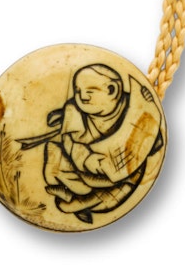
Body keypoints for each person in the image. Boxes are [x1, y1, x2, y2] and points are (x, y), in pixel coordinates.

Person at [18, 63, 163, 224]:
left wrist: (148, 108)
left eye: (90, 91)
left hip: (114, 180)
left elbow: (152, 144)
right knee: (54, 155)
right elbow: (69, 142)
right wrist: (86, 160)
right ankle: (76, 193)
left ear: (112, 90)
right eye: (78, 91)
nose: (82, 97)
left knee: (70, 205)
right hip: (80, 168)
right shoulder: (74, 109)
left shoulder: (131, 108)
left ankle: (74, 200)